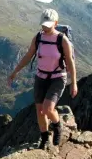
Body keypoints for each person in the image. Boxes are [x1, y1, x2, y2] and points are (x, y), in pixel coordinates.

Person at [7, 8, 78, 149]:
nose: (45, 27)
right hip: (41, 77)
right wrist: (15, 72)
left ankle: (57, 125)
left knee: (48, 109)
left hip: (57, 78)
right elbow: (28, 56)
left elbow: (70, 62)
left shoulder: (62, 40)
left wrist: (74, 83)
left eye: (48, 25)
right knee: (39, 111)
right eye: (43, 24)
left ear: (55, 23)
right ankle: (45, 138)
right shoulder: (39, 37)